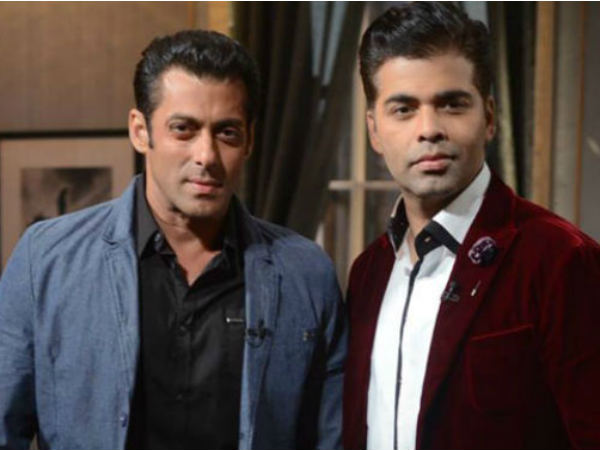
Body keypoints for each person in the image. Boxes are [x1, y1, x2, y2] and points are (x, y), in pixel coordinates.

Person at [0, 30, 346, 450]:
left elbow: (330, 436)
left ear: (250, 140)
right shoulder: (46, 260)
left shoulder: (305, 274)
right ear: (140, 131)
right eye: (183, 129)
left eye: (227, 132)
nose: (206, 156)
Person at [343, 3, 600, 450]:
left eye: (451, 104)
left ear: (490, 117)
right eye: (404, 109)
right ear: (374, 131)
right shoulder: (368, 271)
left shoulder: (561, 259)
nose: (429, 129)